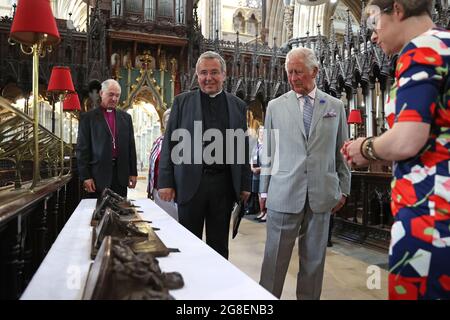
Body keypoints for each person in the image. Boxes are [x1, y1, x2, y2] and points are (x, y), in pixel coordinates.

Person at [342, 0, 450, 300]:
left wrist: (365, 146)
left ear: (398, 10)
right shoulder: (446, 44)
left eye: (375, 22)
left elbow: (407, 139)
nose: (374, 36)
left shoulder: (421, 50)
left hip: (429, 213)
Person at [259, 47, 351, 300]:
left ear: (315, 71)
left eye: (298, 72)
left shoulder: (335, 106)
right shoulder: (276, 106)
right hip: (283, 193)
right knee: (273, 262)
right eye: (289, 73)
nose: (293, 78)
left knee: (313, 263)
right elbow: (268, 151)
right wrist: (263, 190)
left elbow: (341, 150)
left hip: (322, 195)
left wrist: (343, 189)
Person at [158, 51, 251, 259]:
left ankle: (216, 288)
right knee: (187, 243)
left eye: (214, 72)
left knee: (219, 246)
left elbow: (242, 148)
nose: (208, 78)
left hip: (224, 185)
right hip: (190, 184)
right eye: (203, 73)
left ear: (224, 75)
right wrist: (165, 181)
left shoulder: (237, 105)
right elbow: (169, 143)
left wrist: (245, 184)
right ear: (197, 75)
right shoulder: (182, 102)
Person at [76, 79, 137, 198]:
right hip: (97, 177)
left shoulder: (126, 118)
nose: (114, 99)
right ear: (101, 93)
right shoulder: (88, 118)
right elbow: (82, 150)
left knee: (120, 212)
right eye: (111, 94)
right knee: (97, 213)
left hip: (120, 176)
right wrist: (86, 176)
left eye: (117, 95)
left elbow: (131, 147)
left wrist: (133, 173)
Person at [147, 109, 178, 220]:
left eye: (171, 120)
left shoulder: (180, 141)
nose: (168, 123)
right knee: (162, 221)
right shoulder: (159, 141)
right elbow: (152, 166)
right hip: (157, 188)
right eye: (166, 121)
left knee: (174, 222)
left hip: (172, 190)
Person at [252, 126, 266, 222]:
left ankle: (266, 213)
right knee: (258, 193)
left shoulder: (266, 146)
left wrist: (260, 169)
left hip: (263, 173)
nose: (261, 134)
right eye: (260, 132)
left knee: (264, 194)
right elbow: (251, 157)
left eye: (263, 132)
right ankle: (261, 212)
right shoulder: (255, 145)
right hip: (255, 173)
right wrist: (252, 168)